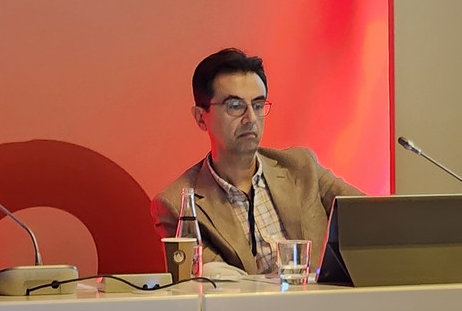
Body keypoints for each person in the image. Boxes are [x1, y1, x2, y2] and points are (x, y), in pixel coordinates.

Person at [151, 48, 362, 274]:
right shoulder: (178, 204)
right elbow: (217, 282)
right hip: (248, 299)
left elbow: (373, 217)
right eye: (235, 106)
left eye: (258, 105)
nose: (250, 118)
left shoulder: (302, 166)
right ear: (201, 117)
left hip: (323, 296)